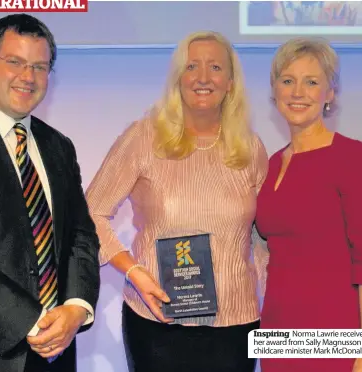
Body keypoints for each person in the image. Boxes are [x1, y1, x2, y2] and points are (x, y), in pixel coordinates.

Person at [85, 31, 268, 372]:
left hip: (237, 325)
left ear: (230, 83)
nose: (202, 77)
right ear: (177, 79)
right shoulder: (143, 136)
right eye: (191, 66)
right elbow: (90, 213)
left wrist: (276, 304)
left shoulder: (250, 148)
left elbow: (260, 236)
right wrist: (134, 271)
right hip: (156, 322)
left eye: (215, 67)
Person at [0, 14, 100, 372]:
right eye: (16, 62)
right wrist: (30, 318)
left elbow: (81, 237)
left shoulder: (58, 146)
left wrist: (76, 306)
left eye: (40, 67)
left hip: (53, 353)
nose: (28, 77)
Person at [255, 37, 362, 372]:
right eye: (288, 81)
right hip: (278, 333)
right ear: (275, 90)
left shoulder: (352, 157)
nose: (298, 92)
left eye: (312, 82)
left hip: (336, 334)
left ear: (330, 93)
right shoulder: (271, 164)